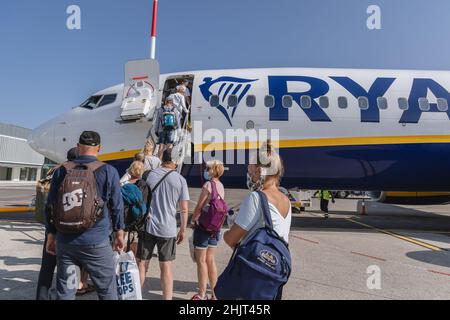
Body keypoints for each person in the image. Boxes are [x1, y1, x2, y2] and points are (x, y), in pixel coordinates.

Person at [45, 131, 125, 300]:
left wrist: (51, 234)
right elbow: (117, 207)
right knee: (107, 291)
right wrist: (119, 233)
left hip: (66, 243)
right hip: (96, 243)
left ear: (78, 146)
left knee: (66, 291)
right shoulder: (108, 171)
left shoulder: (61, 171)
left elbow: (50, 205)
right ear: (99, 148)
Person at [223, 141, 292, 293]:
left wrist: (228, 231)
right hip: (274, 276)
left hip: (254, 274)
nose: (249, 174)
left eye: (250, 169)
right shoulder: (286, 201)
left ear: (259, 171)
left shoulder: (256, 198)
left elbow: (231, 239)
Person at [136, 149, 189, 300]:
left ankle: (137, 295)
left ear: (162, 159)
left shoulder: (150, 175)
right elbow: (184, 209)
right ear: (175, 161)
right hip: (168, 229)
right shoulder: (180, 180)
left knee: (142, 264)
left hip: (148, 226)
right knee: (166, 266)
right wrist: (183, 229)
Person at [36, 147, 78, 300]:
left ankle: (41, 296)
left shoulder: (57, 171)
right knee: (67, 270)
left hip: (53, 226)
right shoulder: (82, 172)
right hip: (72, 231)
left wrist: (50, 231)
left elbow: (49, 205)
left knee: (46, 268)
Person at [191, 160, 226, 300]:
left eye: (208, 168)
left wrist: (193, 219)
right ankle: (215, 295)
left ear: (212, 170)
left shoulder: (208, 185)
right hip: (215, 228)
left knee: (201, 261)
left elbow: (200, 205)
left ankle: (201, 294)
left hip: (203, 227)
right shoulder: (221, 185)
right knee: (211, 260)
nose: (206, 170)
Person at [121, 161, 146, 254]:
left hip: (123, 221)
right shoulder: (143, 186)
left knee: (119, 247)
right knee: (133, 249)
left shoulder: (123, 184)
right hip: (136, 223)